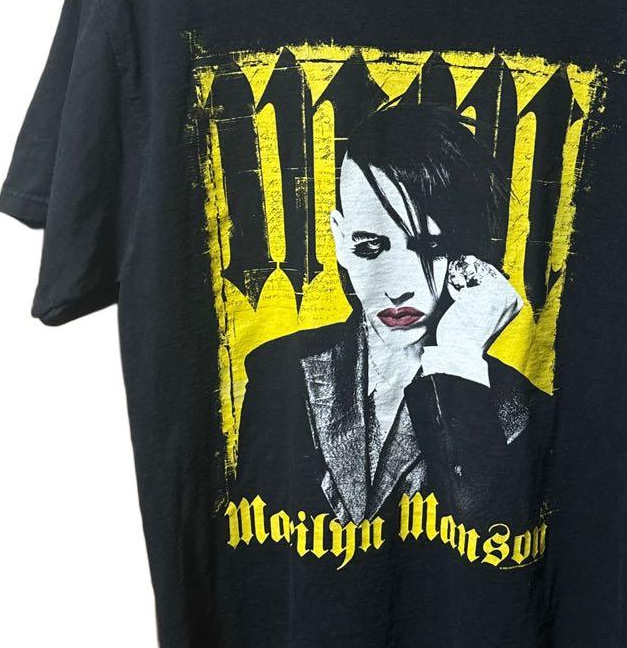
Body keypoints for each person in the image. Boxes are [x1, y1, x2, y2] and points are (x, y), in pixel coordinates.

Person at [233, 101, 553, 531]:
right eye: (369, 247)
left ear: (466, 255)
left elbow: (487, 541)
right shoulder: (279, 374)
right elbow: (252, 542)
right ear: (340, 240)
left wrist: (458, 355)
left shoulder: (524, 412)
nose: (398, 287)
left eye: (429, 247)